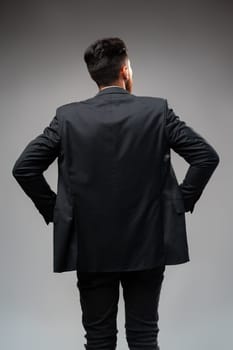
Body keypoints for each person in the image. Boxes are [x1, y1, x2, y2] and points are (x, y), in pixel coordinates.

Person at [12, 37, 220, 349]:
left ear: (95, 75)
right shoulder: (157, 111)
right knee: (144, 336)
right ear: (125, 70)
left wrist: (56, 211)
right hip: (148, 243)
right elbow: (206, 156)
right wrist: (179, 202)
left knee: (98, 339)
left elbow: (24, 168)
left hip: (91, 245)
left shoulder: (67, 118)